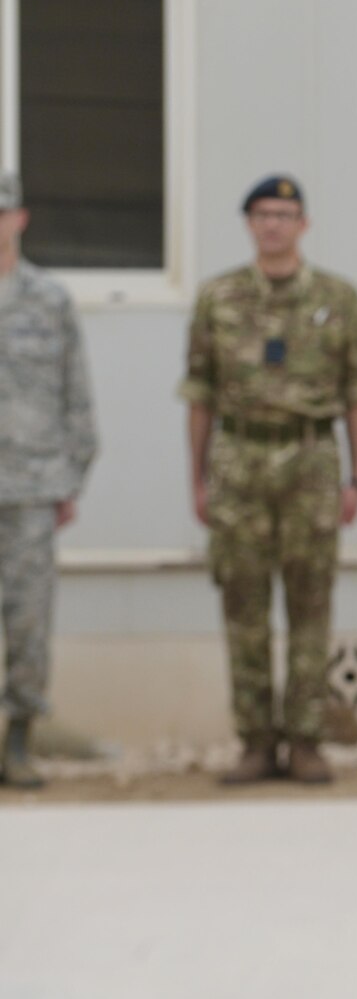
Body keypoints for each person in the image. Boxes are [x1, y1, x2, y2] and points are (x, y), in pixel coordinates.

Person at [181, 175, 357, 786]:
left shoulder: (339, 299)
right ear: (248, 224)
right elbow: (200, 396)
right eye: (263, 214)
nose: (273, 224)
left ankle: (307, 740)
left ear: (303, 224)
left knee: (311, 602)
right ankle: (256, 741)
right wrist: (198, 478)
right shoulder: (219, 298)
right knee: (243, 606)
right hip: (239, 458)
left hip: (312, 459)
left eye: (285, 214)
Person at [0, 173, 97, 788]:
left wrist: (72, 478)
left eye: (1, 213)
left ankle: (18, 740)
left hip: (31, 486)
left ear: (21, 219)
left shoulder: (49, 299)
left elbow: (76, 395)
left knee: (30, 620)